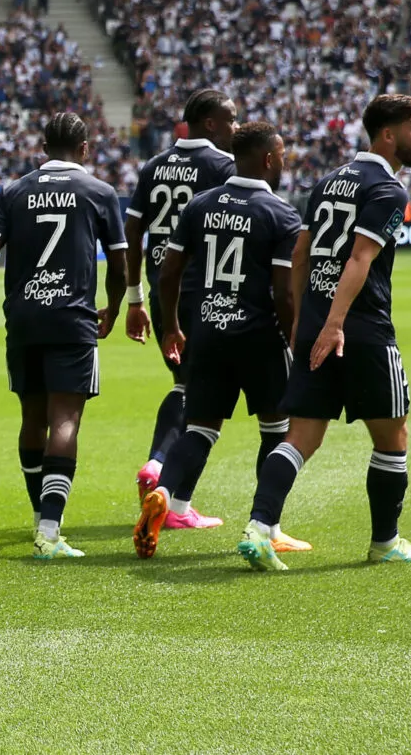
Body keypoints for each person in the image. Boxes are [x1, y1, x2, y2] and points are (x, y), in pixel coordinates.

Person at [238, 95, 411, 571]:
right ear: (388, 135)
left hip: (314, 327)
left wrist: (302, 324)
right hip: (362, 330)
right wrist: (334, 325)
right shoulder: (389, 190)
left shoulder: (328, 180)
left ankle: (258, 527)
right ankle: (385, 543)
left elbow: (300, 255)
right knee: (393, 436)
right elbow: (359, 259)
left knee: (300, 437)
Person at [0, 112, 127, 560]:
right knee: (65, 419)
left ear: (43, 147)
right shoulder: (100, 193)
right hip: (72, 319)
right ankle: (49, 529)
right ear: (84, 149)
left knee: (32, 418)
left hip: (23, 320)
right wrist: (116, 307)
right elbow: (120, 266)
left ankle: (41, 515)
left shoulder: (13, 192)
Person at [133, 122, 308, 558]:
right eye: (282, 154)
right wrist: (295, 342)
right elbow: (285, 292)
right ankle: (266, 526)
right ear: (267, 158)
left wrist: (173, 325)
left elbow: (169, 273)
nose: (285, 161)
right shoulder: (281, 214)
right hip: (259, 338)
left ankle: (166, 493)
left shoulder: (200, 205)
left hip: (207, 333)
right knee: (276, 429)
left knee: (199, 429)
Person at [124, 89, 237, 512]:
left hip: (161, 291)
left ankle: (162, 475)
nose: (236, 127)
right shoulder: (222, 167)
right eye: (231, 120)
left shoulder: (154, 166)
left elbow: (132, 233)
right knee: (203, 396)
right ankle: (165, 481)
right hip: (206, 295)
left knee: (183, 384)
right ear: (210, 122)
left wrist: (135, 297)